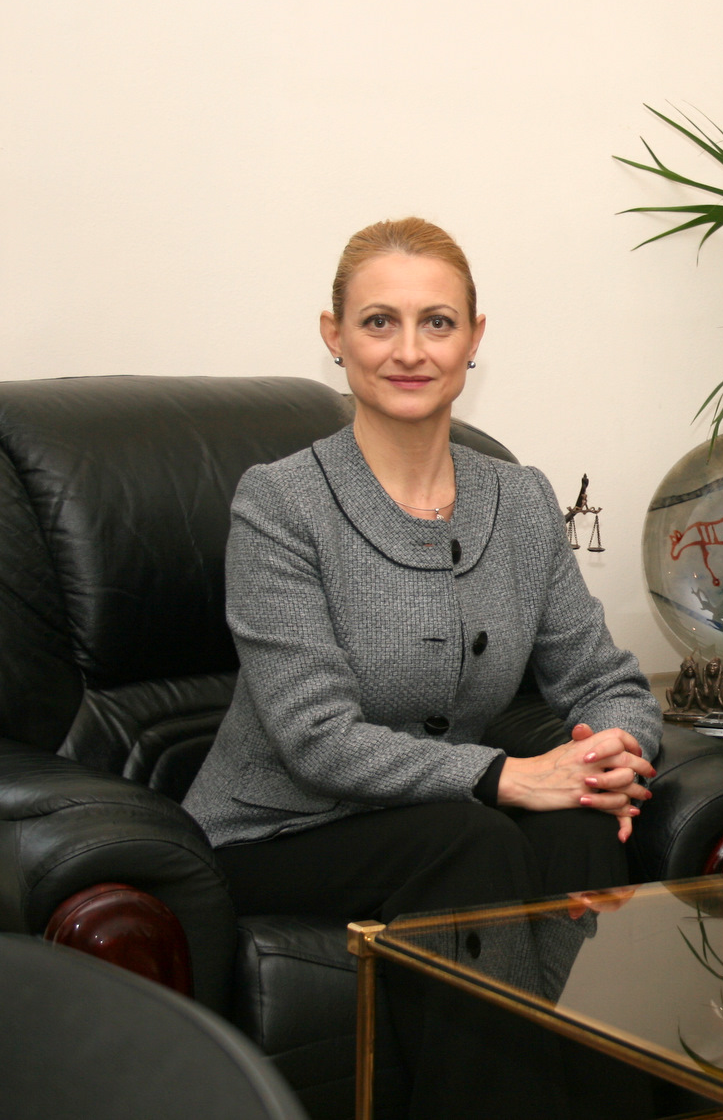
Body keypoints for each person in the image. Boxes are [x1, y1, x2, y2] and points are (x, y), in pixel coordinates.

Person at [182, 217, 659, 1119]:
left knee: (588, 824)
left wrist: (615, 749)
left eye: (437, 322)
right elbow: (314, 739)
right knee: (470, 837)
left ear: (476, 339)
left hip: (440, 816)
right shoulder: (279, 503)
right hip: (280, 828)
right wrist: (507, 775)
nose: (410, 350)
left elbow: (603, 676)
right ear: (334, 335)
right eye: (378, 322)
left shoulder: (519, 501)